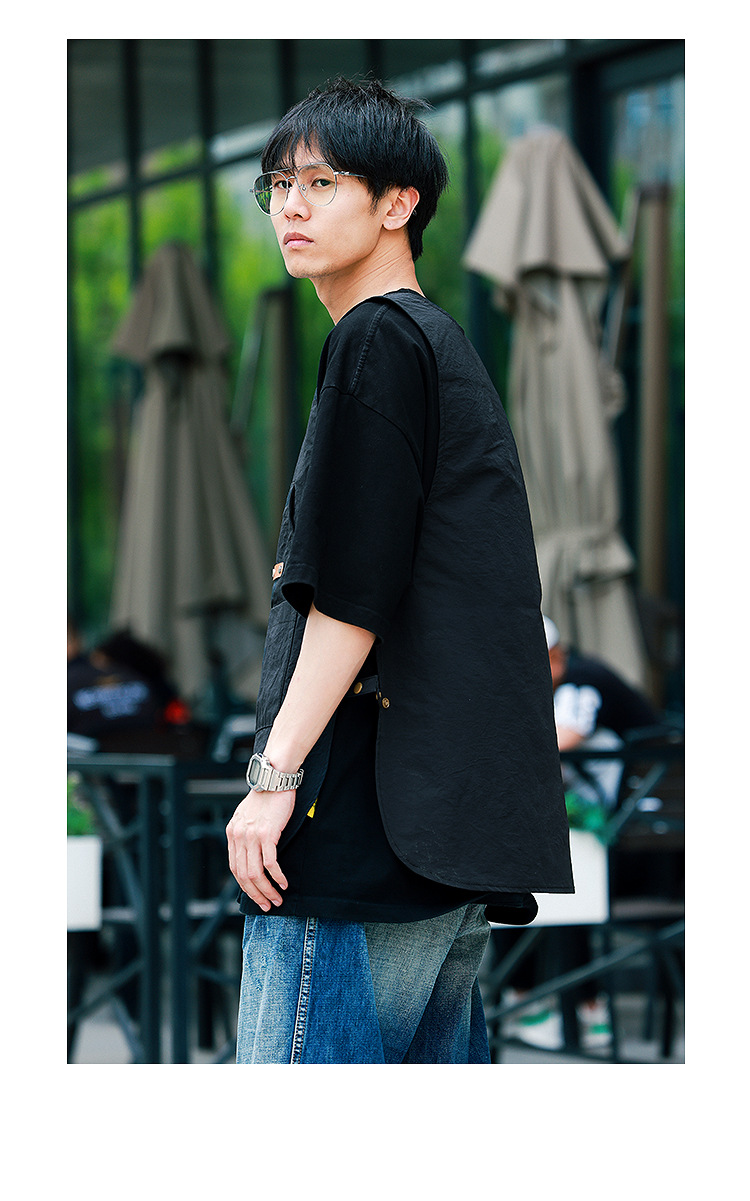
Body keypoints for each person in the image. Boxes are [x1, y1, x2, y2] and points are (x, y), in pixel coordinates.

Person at [225, 78, 573, 1065]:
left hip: (360, 832)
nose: (290, 207)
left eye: (321, 182)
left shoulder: (377, 337)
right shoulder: (437, 346)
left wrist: (273, 778)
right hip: (440, 835)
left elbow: (353, 594)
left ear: (397, 204)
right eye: (278, 186)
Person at [494, 617, 661, 1052]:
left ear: (554, 658)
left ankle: (545, 1006)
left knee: (529, 880)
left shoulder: (581, 682)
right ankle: (565, 1008)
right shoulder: (568, 682)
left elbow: (557, 742)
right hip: (628, 839)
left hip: (638, 848)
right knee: (523, 878)